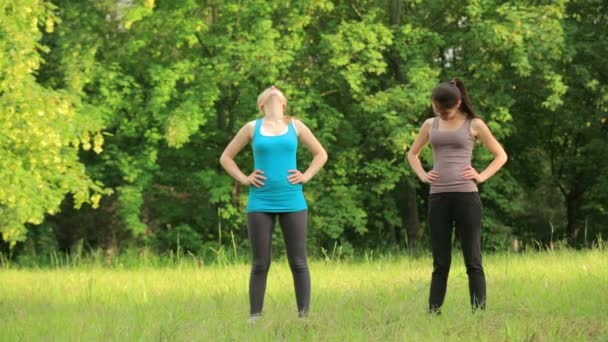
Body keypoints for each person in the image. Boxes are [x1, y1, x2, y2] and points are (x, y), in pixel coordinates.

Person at [220, 86, 328, 322]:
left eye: (277, 91)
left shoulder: (296, 126)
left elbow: (321, 154)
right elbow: (225, 157)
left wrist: (306, 175)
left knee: (298, 261)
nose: (272, 88)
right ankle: (255, 317)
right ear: (261, 104)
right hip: (259, 201)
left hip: (292, 200)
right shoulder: (252, 127)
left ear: (284, 104)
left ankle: (303, 316)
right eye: (268, 91)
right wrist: (244, 178)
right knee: (260, 262)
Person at [407, 78, 508, 314]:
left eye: (447, 111)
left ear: (459, 102)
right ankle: (433, 314)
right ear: (433, 104)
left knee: (472, 260)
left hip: (466, 198)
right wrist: (422, 174)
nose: (443, 114)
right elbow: (413, 154)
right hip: (438, 198)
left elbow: (500, 155)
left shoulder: (475, 124)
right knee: (440, 262)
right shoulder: (429, 125)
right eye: (438, 110)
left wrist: (481, 176)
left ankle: (479, 314)